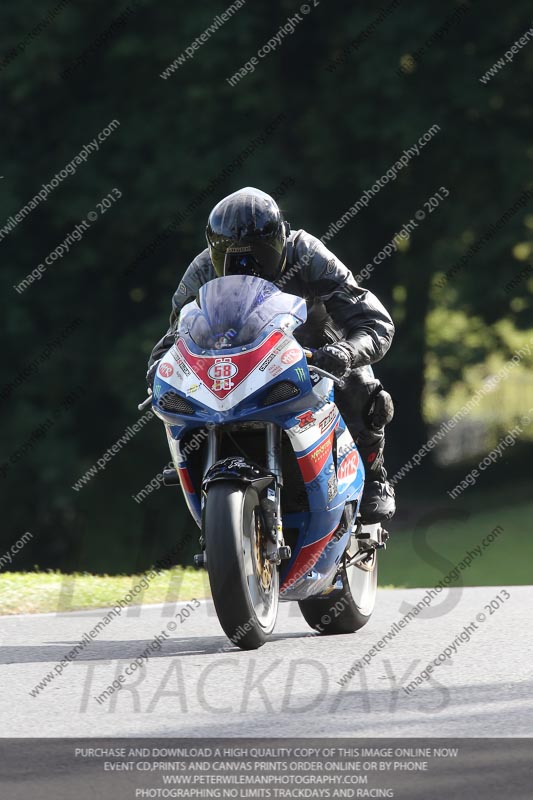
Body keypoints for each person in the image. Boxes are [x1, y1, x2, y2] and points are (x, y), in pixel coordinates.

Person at [147, 187, 395, 523]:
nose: (245, 266)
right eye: (232, 258)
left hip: (314, 352)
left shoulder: (308, 254)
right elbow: (173, 338)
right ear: (215, 253)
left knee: (363, 386)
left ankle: (374, 476)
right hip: (235, 364)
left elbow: (374, 321)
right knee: (174, 399)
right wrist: (160, 371)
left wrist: (345, 352)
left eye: (257, 256)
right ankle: (192, 456)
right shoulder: (203, 270)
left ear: (281, 241)